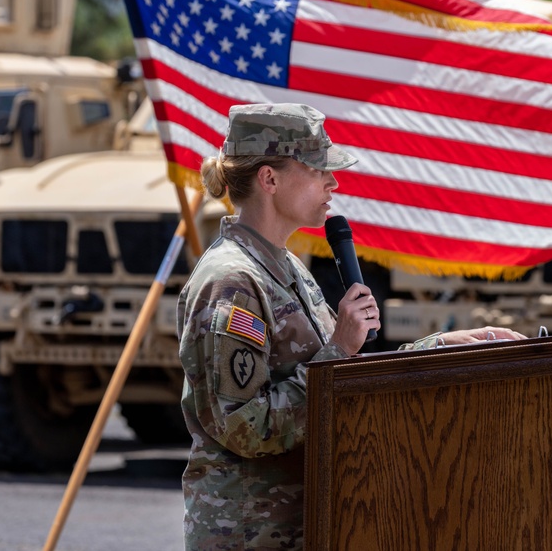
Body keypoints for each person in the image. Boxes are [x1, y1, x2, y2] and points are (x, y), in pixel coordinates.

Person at [177, 102, 524, 550]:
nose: (333, 182)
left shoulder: (287, 269)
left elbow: (339, 381)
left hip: (308, 526)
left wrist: (439, 348)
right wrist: (339, 348)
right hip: (250, 536)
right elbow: (244, 426)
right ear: (269, 179)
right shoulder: (231, 281)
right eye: (317, 168)